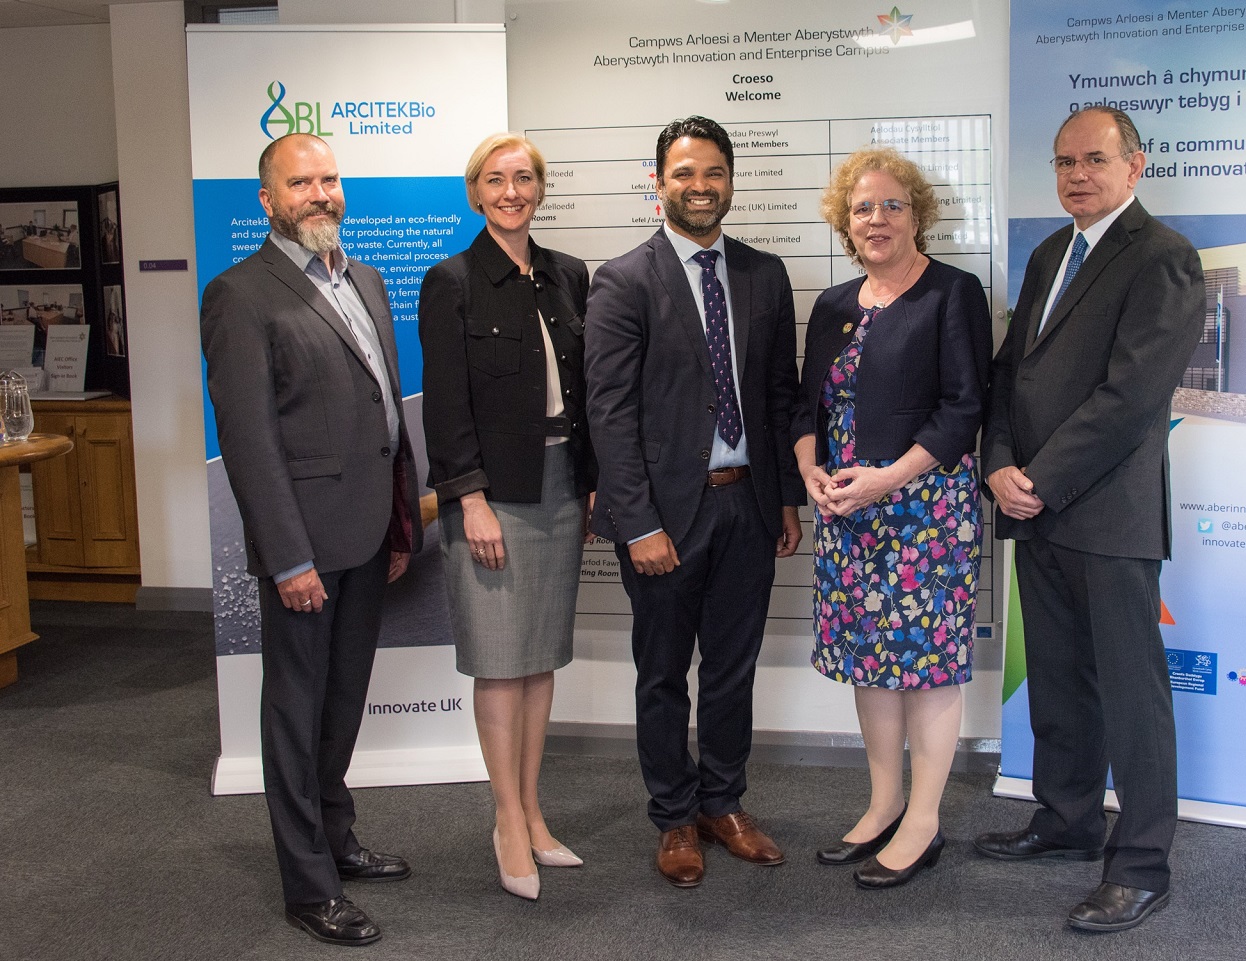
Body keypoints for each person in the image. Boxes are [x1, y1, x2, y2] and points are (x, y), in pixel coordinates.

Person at [975, 106, 1205, 933]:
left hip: (1105, 512)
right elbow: (1010, 375)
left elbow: (1131, 395)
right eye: (1065, 160)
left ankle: (1141, 863)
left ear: (1136, 166)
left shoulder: (1166, 258)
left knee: (1132, 693)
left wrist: (1039, 476)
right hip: (1032, 507)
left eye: (1095, 160)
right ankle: (1068, 820)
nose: (1078, 174)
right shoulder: (1046, 253)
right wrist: (996, 461)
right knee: (1061, 678)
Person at [200, 132, 423, 947]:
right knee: (296, 713)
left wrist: (402, 522)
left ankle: (337, 838)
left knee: (342, 701)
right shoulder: (239, 294)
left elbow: (385, 416)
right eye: (301, 183)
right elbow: (251, 443)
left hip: (369, 535)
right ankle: (307, 883)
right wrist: (289, 557)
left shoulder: (363, 277)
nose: (319, 194)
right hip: (305, 548)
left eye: (329, 179)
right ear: (267, 200)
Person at [584, 115, 805, 887]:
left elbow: (778, 397)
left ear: (731, 181)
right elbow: (608, 414)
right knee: (662, 671)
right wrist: (637, 520)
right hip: (664, 518)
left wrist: (783, 500)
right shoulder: (622, 279)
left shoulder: (763, 274)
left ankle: (723, 801)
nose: (700, 186)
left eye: (712, 172)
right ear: (659, 182)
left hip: (747, 503)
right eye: (684, 173)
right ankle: (674, 815)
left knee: (733, 669)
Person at [793, 147, 990, 890]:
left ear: (918, 214)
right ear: (847, 221)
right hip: (847, 511)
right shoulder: (836, 305)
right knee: (872, 666)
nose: (877, 219)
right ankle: (882, 804)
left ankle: (924, 819)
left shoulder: (952, 293)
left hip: (924, 513)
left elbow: (964, 409)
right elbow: (804, 405)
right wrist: (813, 466)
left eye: (892, 205)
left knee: (927, 670)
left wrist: (887, 480)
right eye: (862, 208)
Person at [418, 133, 596, 902]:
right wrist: (469, 499)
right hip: (492, 494)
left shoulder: (569, 274)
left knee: (539, 656)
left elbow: (584, 394)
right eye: (496, 179)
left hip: (560, 483)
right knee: (499, 659)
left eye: (524, 178)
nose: (511, 190)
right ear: (475, 192)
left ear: (541, 188)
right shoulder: (450, 279)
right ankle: (504, 819)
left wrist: (590, 484)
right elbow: (447, 403)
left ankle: (532, 809)